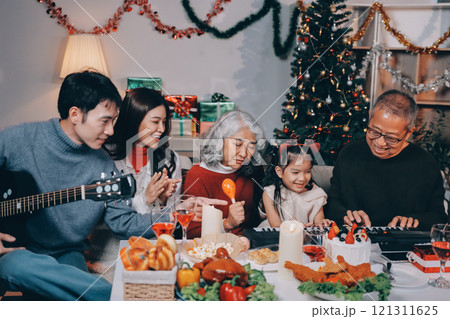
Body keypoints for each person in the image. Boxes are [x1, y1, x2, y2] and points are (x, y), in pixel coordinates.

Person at [0, 71, 157, 301]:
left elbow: (122, 220)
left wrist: (172, 218)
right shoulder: (21, 139)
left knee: (78, 289)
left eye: (114, 121)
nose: (111, 130)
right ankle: (127, 301)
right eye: (105, 120)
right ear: (75, 114)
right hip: (17, 253)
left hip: (67, 253)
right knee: (13, 265)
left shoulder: (102, 163)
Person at [326, 89, 448, 230]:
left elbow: (438, 216)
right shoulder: (348, 154)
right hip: (354, 243)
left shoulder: (426, 164)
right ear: (370, 116)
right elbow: (332, 204)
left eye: (391, 138)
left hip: (404, 247)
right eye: (375, 131)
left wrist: (415, 221)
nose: (380, 143)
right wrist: (346, 215)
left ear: (409, 132)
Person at [183, 110, 267, 238]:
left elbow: (259, 221)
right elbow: (191, 233)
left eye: (251, 147)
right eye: (238, 144)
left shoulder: (254, 171)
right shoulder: (198, 175)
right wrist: (227, 224)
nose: (244, 154)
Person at [258, 144, 331, 228]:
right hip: (276, 238)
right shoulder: (270, 193)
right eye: (295, 172)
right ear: (279, 172)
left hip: (305, 238)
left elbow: (319, 220)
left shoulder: (316, 194)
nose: (302, 178)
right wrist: (293, 228)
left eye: (307, 171)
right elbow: (276, 227)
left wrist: (321, 223)